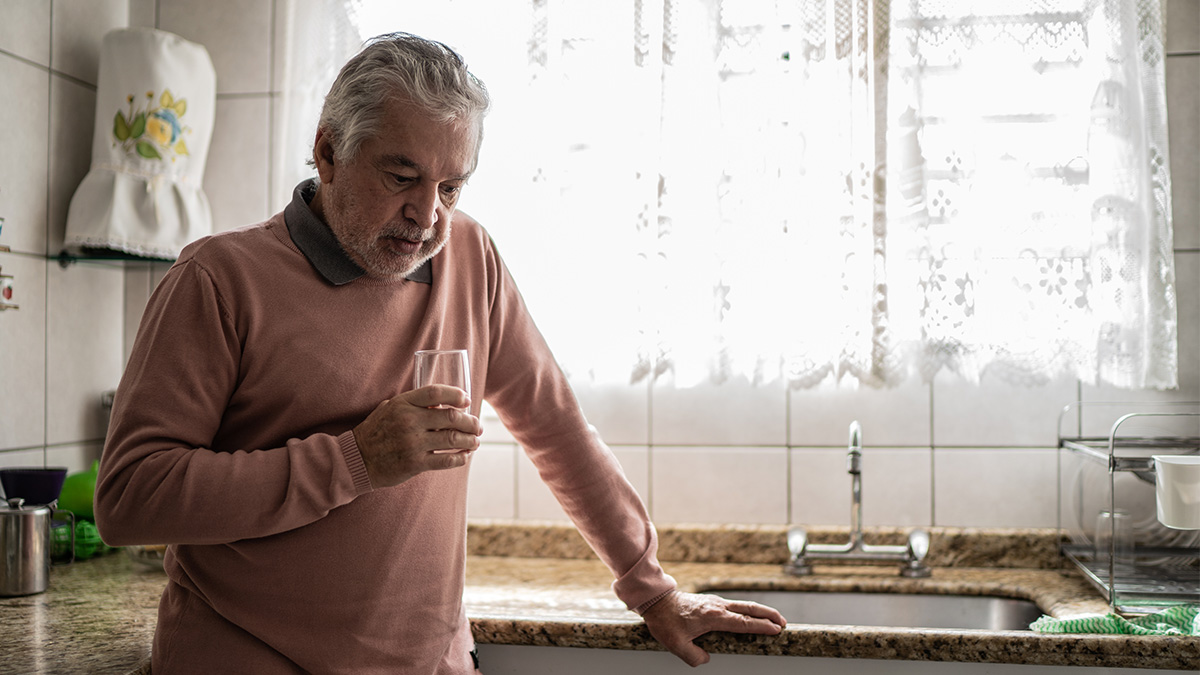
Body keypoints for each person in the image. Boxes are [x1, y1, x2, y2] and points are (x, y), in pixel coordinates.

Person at [95, 32, 786, 674]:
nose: (428, 216)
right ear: (329, 152)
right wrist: (353, 461)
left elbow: (554, 423)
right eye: (402, 178)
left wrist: (652, 588)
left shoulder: (471, 255)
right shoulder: (218, 278)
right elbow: (128, 497)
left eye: (451, 187)